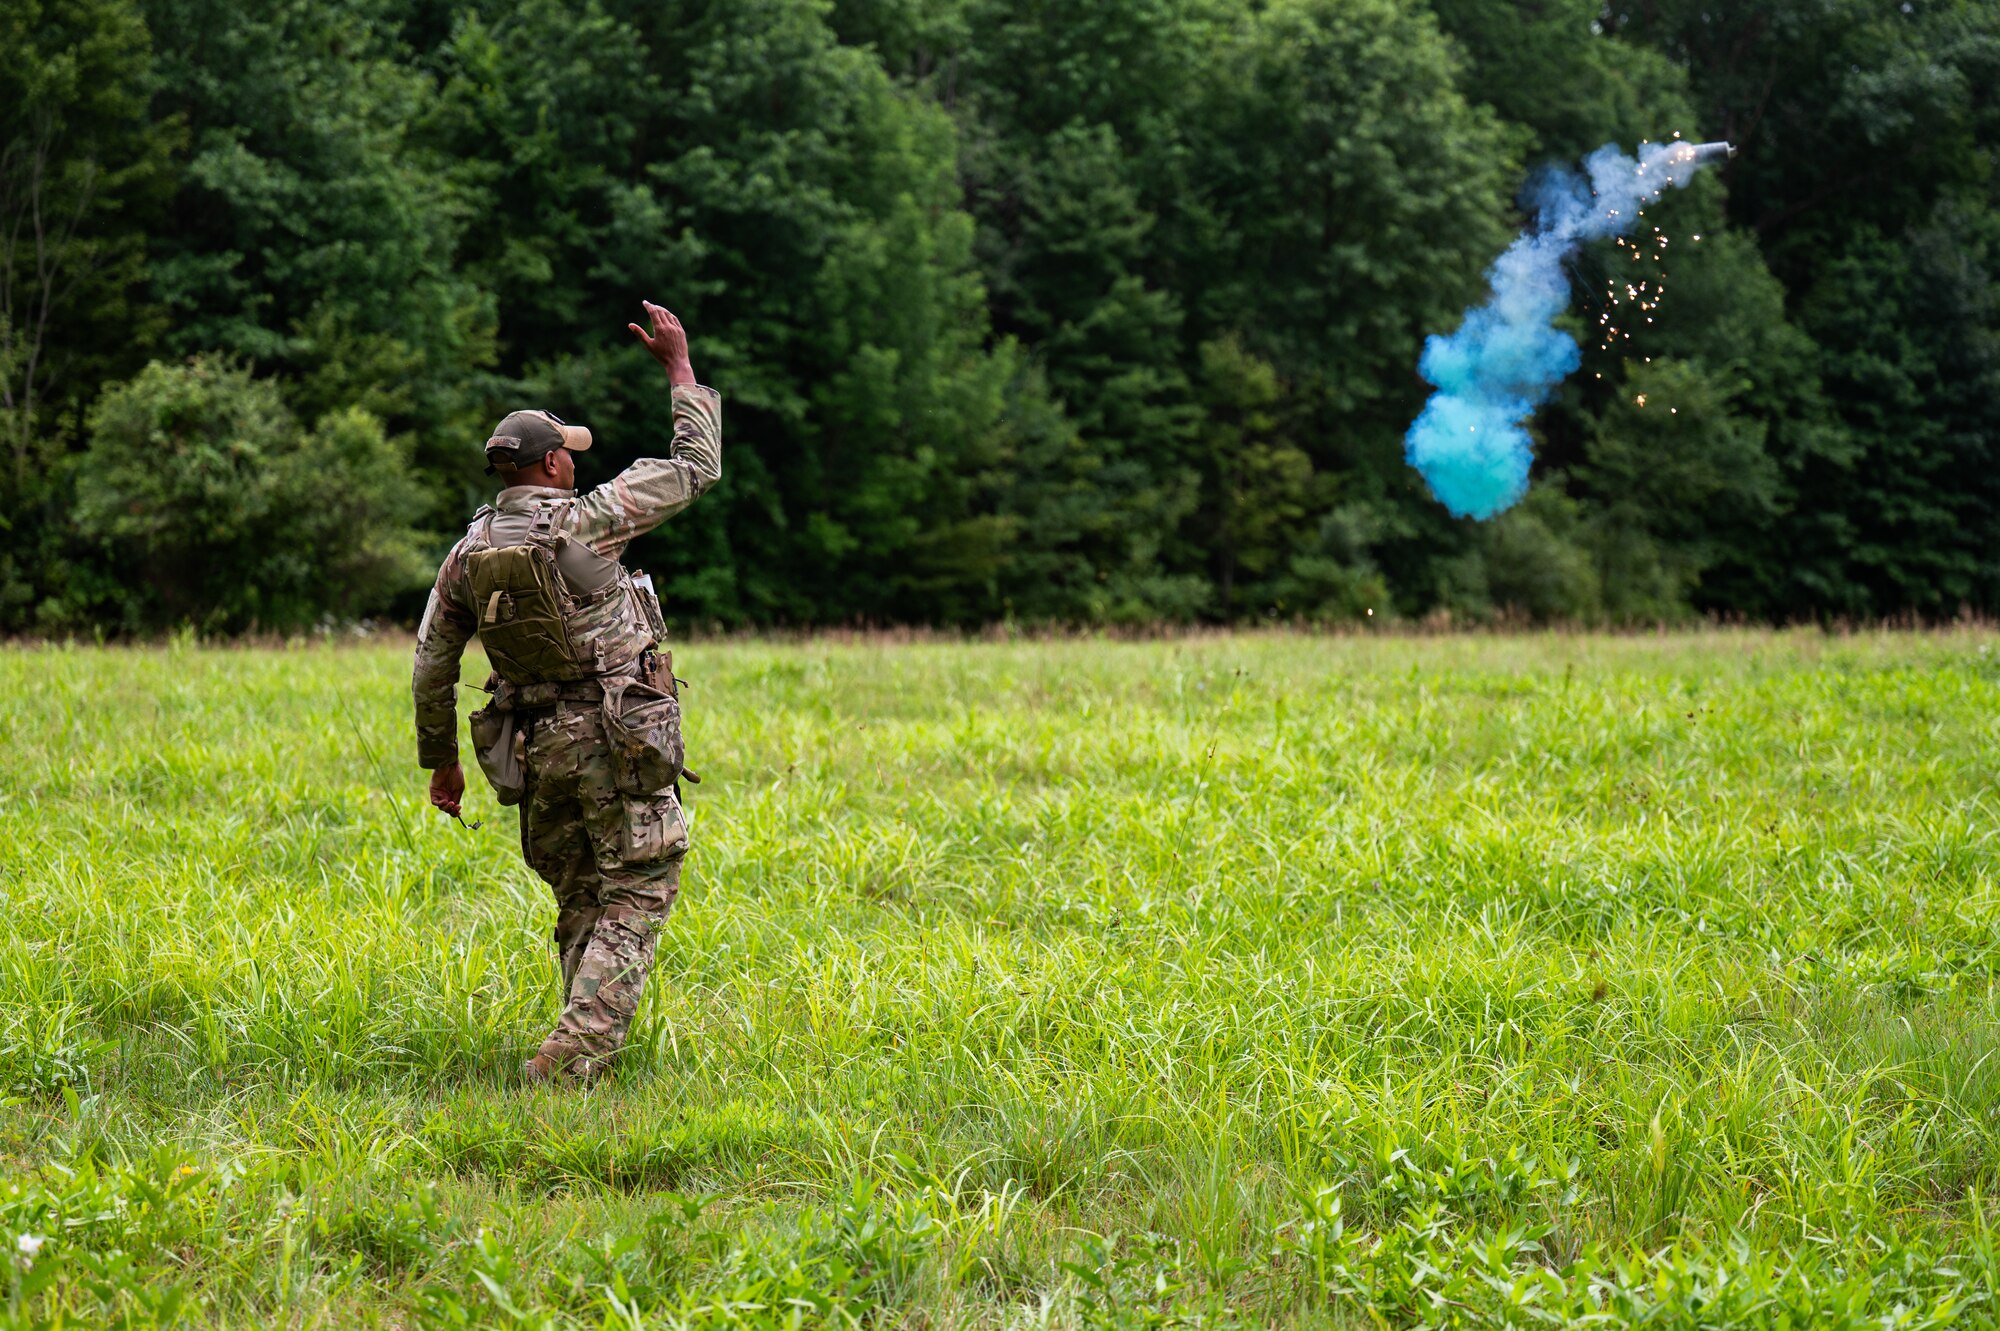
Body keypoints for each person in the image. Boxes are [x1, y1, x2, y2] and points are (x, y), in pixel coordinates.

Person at [410, 300, 721, 1085]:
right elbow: (695, 468)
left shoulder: (467, 554)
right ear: (550, 466)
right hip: (618, 739)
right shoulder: (588, 522)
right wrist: (679, 369)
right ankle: (573, 1052)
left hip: (534, 747)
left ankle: (581, 1061)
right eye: (569, 454)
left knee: (583, 892)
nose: (575, 462)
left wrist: (441, 764)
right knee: (641, 886)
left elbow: (431, 663)